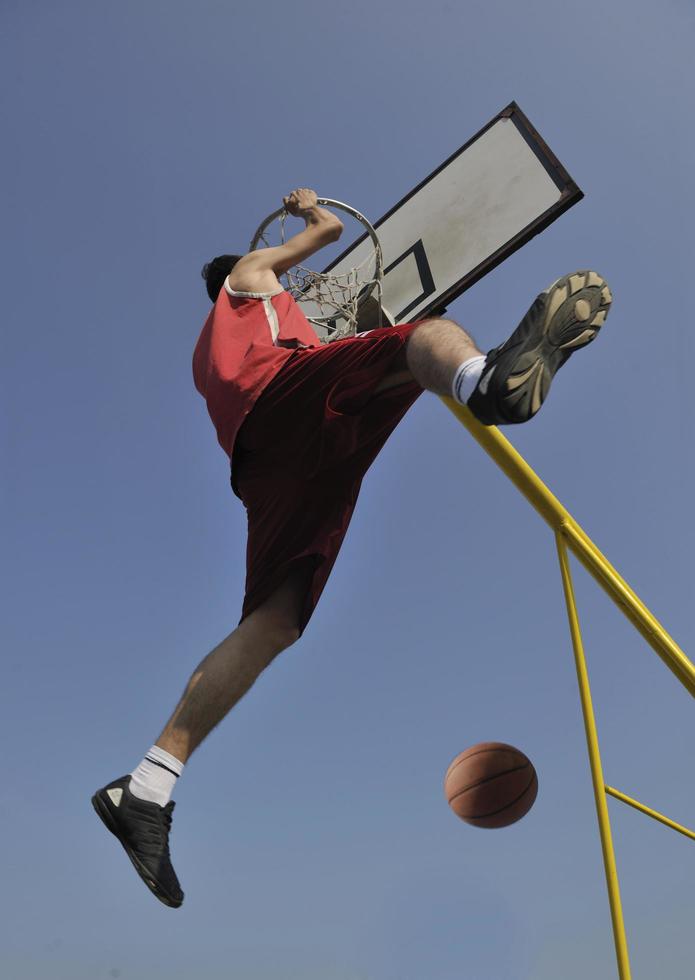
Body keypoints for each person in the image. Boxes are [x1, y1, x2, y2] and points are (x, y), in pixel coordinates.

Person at [92, 188, 612, 908]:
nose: (290, 286)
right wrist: (308, 210)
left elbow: (299, 359)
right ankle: (480, 380)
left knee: (274, 623)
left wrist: (349, 335)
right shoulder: (250, 276)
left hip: (265, 464)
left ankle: (145, 787)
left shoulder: (205, 352)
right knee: (417, 335)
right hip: (287, 402)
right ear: (251, 277)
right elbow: (331, 229)